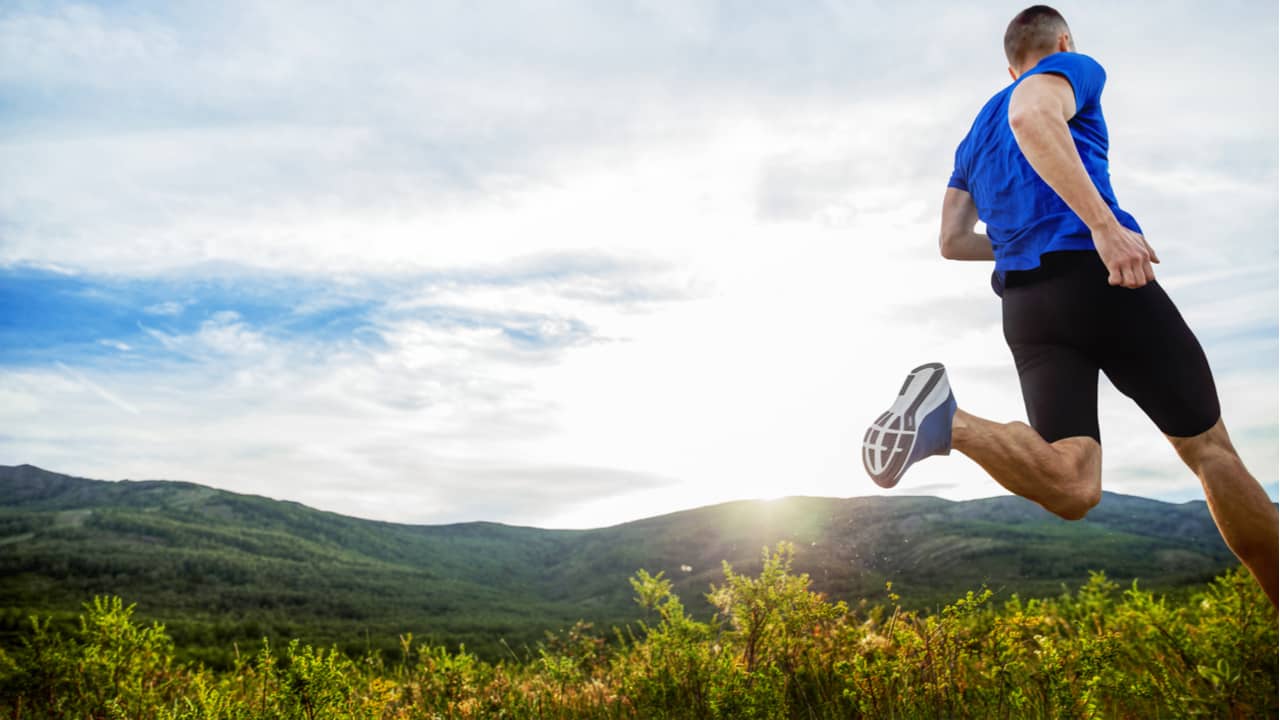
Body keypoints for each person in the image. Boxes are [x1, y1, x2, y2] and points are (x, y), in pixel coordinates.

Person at [861, 5, 1278, 607]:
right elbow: (1033, 114)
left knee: (1073, 485)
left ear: (1009, 67)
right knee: (1210, 451)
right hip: (1099, 277)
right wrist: (1104, 227)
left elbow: (951, 241)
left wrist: (1018, 242)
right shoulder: (1069, 69)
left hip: (1028, 309)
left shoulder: (974, 138)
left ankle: (949, 424)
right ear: (1061, 41)